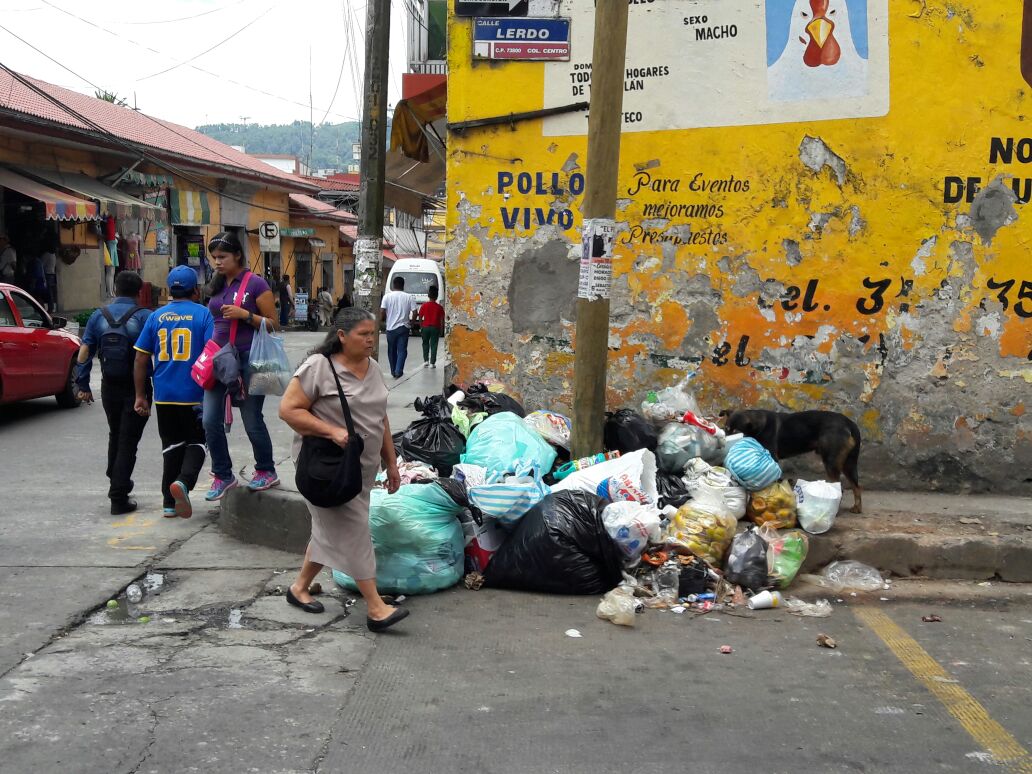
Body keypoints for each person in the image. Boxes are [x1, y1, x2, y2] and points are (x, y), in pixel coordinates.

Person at [279, 308, 409, 632]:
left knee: (328, 530)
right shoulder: (318, 368)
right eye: (363, 334)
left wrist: (391, 463)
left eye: (372, 333)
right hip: (326, 469)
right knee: (353, 532)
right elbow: (288, 410)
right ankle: (376, 608)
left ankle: (299, 588)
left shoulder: (374, 368)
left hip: (360, 471)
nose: (370, 340)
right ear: (341, 336)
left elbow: (381, 418)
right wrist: (331, 431)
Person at [202, 232, 282, 500]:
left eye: (222, 257)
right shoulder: (216, 284)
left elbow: (273, 323)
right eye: (214, 257)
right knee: (209, 419)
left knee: (251, 420)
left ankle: (266, 470)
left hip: (250, 360)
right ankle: (223, 475)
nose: (217, 262)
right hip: (220, 359)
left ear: (237, 255)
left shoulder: (256, 284)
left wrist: (246, 315)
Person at [132, 266, 215, 519]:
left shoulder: (156, 317)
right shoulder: (204, 315)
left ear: (169, 290)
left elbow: (140, 359)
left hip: (164, 394)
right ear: (196, 290)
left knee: (171, 446)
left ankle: (169, 504)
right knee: (198, 442)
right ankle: (184, 482)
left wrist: (140, 395)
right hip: (196, 393)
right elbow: (214, 353)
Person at [76, 271, 151, 515]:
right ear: (139, 292)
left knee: (116, 433)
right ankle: (118, 496)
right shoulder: (144, 317)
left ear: (115, 290)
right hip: (136, 387)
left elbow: (85, 350)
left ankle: (117, 478)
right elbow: (156, 356)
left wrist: (83, 384)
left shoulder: (99, 316)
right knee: (129, 440)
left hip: (109, 385)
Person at [381, 275, 416, 379]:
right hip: (403, 327)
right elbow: (415, 312)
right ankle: (398, 370)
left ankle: (393, 370)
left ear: (393, 285)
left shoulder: (387, 297)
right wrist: (412, 323)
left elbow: (382, 311)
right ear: (403, 285)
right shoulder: (409, 297)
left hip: (390, 328)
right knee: (402, 350)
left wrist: (383, 321)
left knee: (391, 350)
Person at [418, 285, 445, 369]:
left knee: (425, 344)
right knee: (434, 345)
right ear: (436, 296)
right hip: (435, 328)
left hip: (425, 327)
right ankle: (432, 363)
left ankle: (426, 361)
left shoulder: (424, 306)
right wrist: (441, 329)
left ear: (428, 295)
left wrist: (421, 326)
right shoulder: (439, 307)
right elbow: (442, 319)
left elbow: (420, 317)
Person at [41, 243, 57, 313]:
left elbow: (41, 265)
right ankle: (52, 307)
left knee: (48, 292)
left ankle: (50, 308)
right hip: (52, 274)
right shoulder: (54, 255)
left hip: (47, 274)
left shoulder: (46, 255)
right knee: (51, 292)